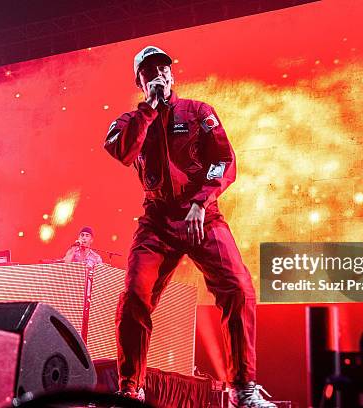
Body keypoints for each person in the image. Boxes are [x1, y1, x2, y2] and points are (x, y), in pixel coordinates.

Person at [103, 45, 276, 408]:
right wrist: (148, 110)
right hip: (156, 224)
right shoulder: (131, 121)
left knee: (238, 288)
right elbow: (122, 153)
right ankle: (130, 390)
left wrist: (202, 201)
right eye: (150, 73)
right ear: (140, 81)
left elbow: (224, 159)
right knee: (135, 296)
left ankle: (243, 389)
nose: (159, 76)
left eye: (163, 69)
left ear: (172, 74)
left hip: (203, 217)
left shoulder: (198, 112)